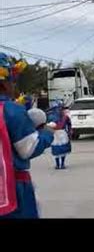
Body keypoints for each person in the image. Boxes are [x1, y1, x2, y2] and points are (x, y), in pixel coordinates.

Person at [0, 53, 54, 218]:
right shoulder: (10, 110)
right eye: (13, 81)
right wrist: (46, 134)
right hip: (12, 189)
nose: (14, 86)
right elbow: (28, 149)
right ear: (4, 83)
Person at [47, 100, 72, 170]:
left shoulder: (50, 116)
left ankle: (58, 164)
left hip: (57, 133)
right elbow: (69, 125)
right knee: (62, 149)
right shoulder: (65, 117)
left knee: (57, 149)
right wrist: (69, 132)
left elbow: (47, 126)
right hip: (61, 133)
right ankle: (62, 164)